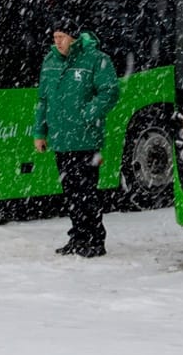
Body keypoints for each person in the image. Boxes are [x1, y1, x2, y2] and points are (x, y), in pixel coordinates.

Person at [34, 23, 122, 258]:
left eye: (62, 36)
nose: (57, 41)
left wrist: (88, 114)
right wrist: (39, 133)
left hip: (86, 140)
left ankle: (95, 240)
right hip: (61, 139)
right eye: (55, 37)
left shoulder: (95, 59)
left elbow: (110, 91)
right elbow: (43, 99)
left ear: (73, 38)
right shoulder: (50, 62)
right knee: (71, 193)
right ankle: (78, 237)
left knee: (86, 192)